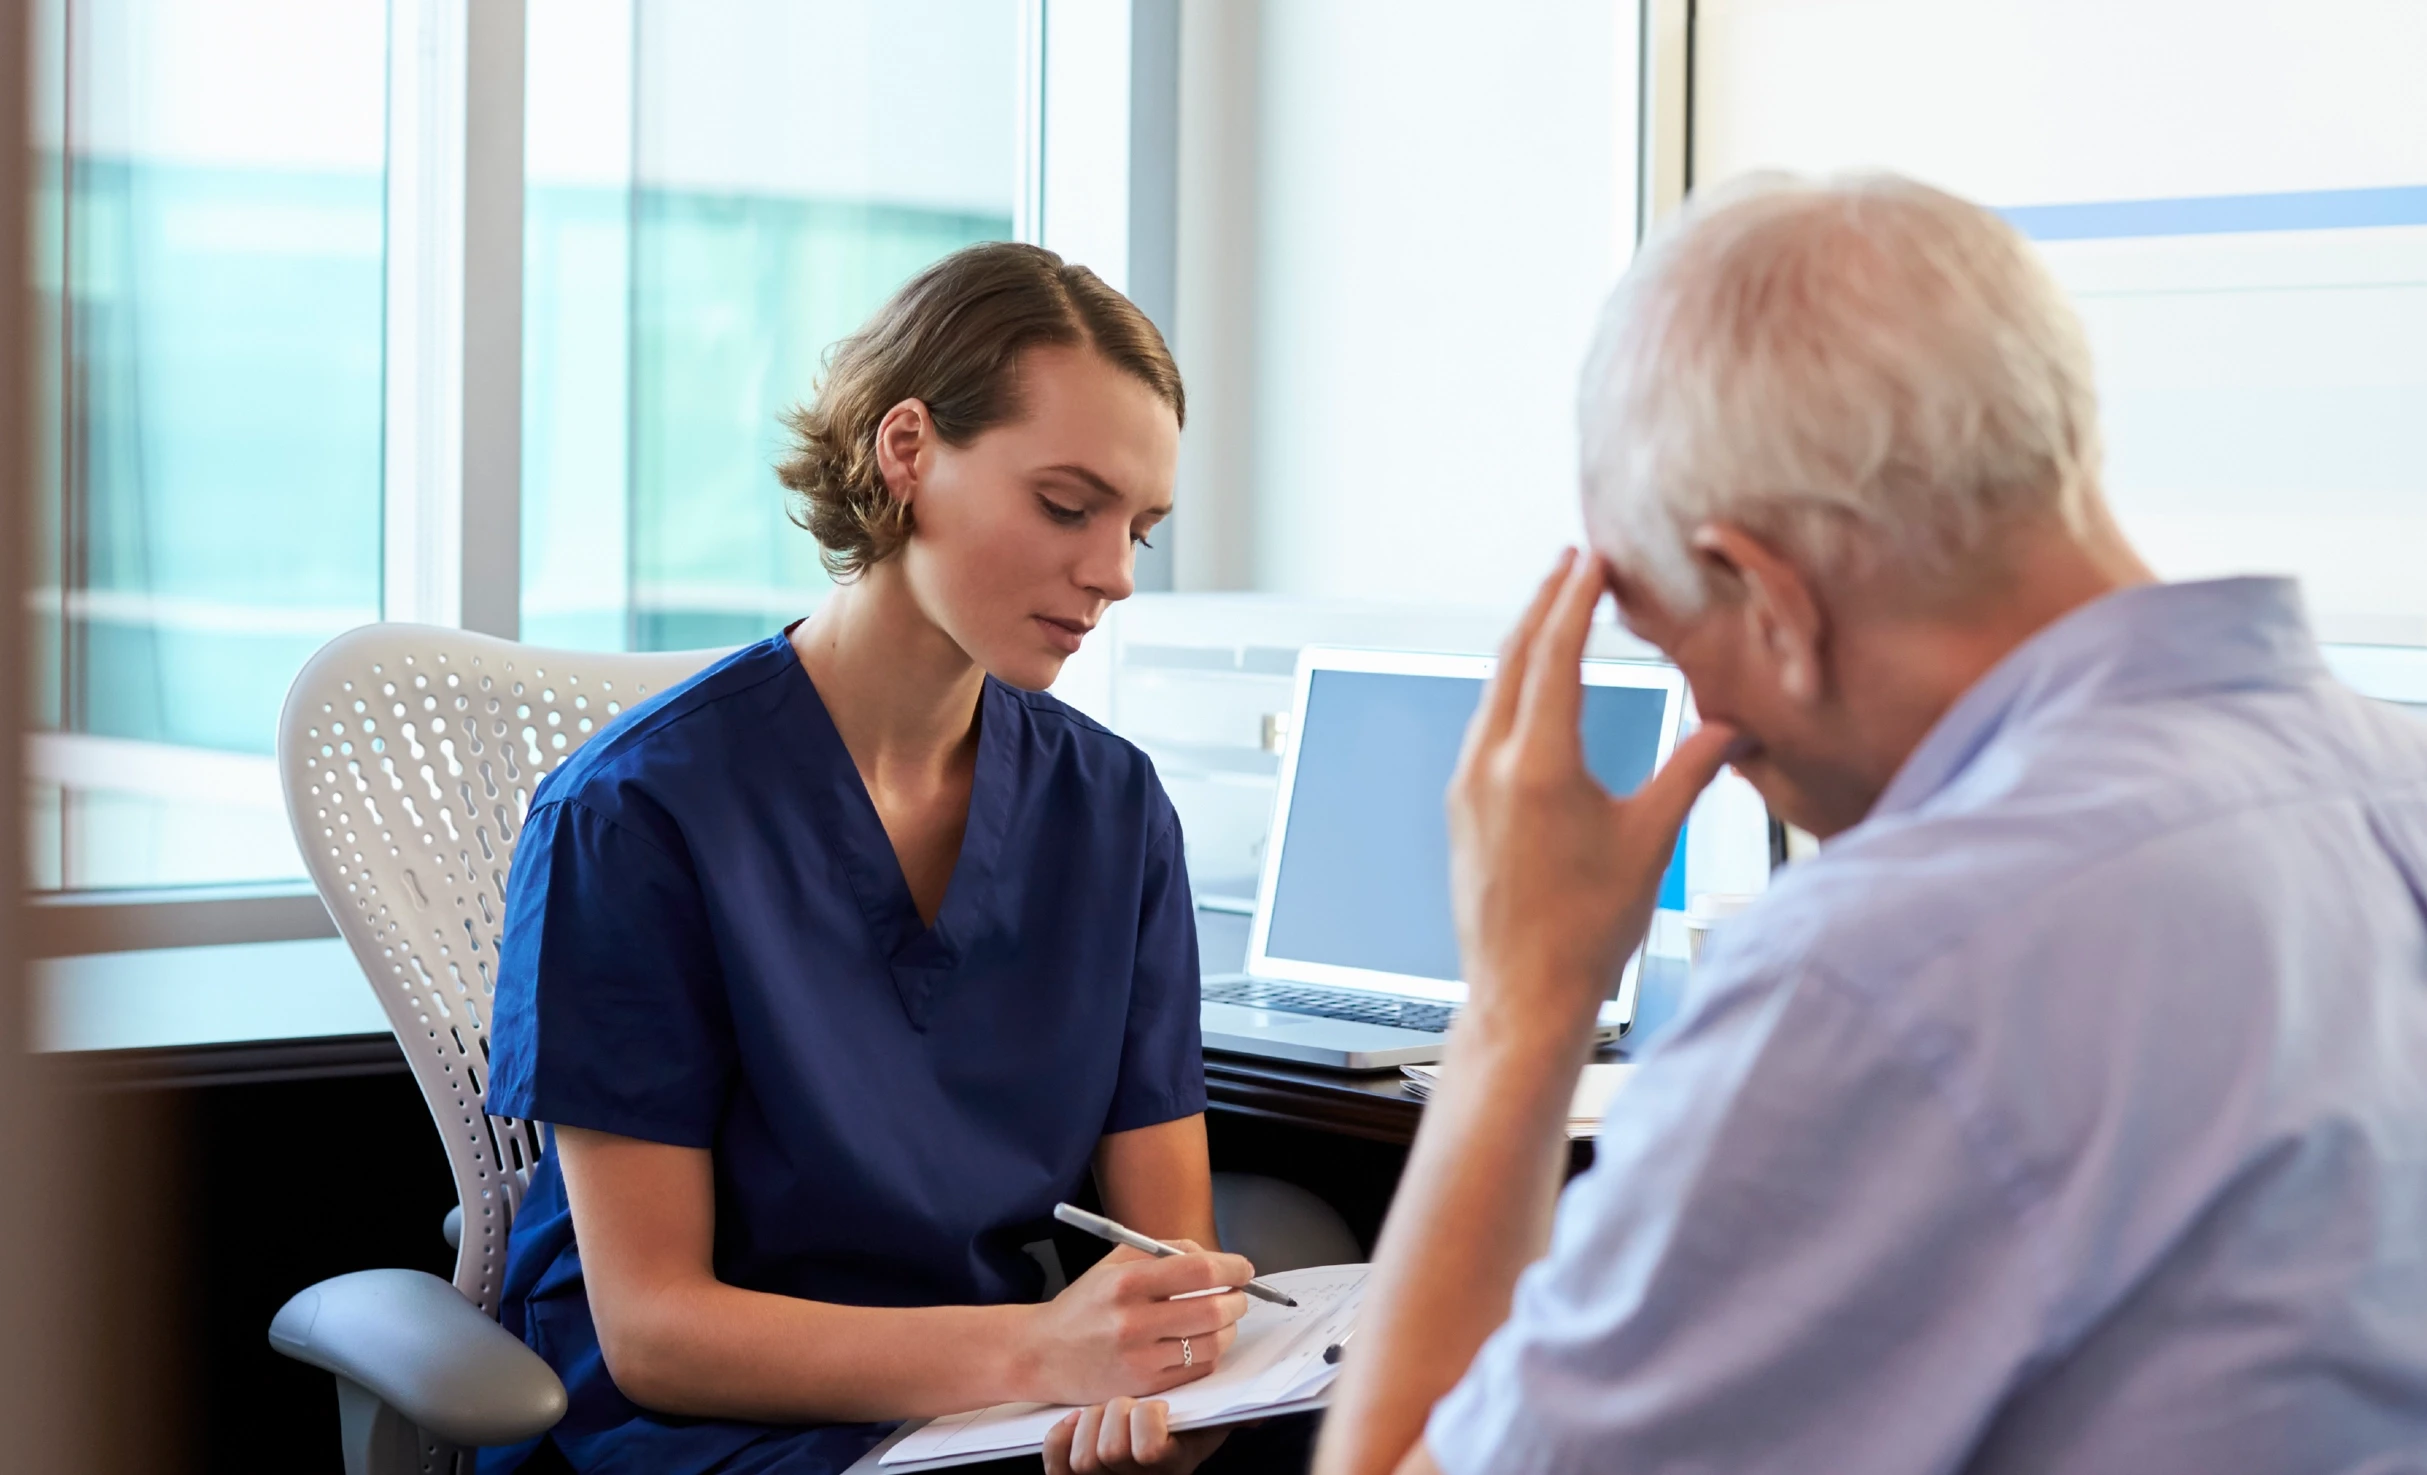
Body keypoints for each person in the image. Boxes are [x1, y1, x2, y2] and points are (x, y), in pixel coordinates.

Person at [1317, 174, 2427, 1474]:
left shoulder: (1884, 971)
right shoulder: (2387, 781)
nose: (1702, 720)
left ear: (1762, 590)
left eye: (1672, 634)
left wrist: (1521, 1005)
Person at [482, 242, 1255, 1475]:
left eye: (1140, 529)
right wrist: (1039, 1354)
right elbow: (655, 1331)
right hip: (701, 1434)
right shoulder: (634, 817)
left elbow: (1166, 1258)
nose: (1111, 572)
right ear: (908, 453)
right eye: (1066, 504)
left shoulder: (1111, 811)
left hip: (981, 1421)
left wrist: (1155, 1407)